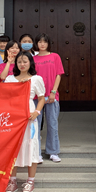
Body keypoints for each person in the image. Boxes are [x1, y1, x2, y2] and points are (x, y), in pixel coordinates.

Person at [4, 51, 47, 192]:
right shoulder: (10, 79)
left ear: (30, 63)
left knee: (31, 145)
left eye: (25, 61)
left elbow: (41, 98)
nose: (22, 64)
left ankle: (30, 181)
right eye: (19, 62)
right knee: (13, 148)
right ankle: (12, 181)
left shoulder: (36, 79)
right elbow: (4, 97)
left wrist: (37, 112)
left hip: (29, 117)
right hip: (13, 117)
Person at [33, 33, 64, 163]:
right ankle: (36, 153)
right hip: (36, 96)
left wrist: (53, 92)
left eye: (44, 42)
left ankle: (53, 152)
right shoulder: (32, 59)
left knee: (52, 124)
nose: (42, 44)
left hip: (51, 95)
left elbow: (58, 75)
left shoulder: (55, 56)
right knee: (35, 125)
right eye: (39, 42)